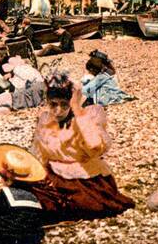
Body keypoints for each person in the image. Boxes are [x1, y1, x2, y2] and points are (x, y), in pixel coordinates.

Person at [26, 73, 134, 219]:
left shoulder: (87, 117)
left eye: (64, 105)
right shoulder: (46, 119)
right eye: (53, 105)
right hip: (54, 175)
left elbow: (95, 146)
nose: (58, 111)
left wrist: (76, 108)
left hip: (85, 181)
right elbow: (38, 152)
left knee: (72, 207)